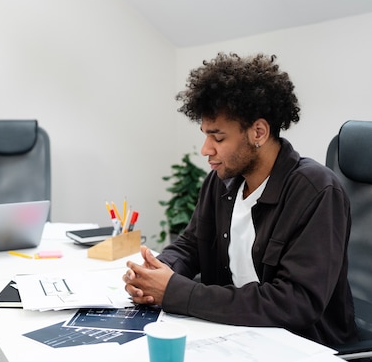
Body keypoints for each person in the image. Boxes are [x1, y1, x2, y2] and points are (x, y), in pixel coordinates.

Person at [123, 52, 358, 347]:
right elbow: (192, 244)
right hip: (232, 331)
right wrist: (154, 273)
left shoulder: (316, 191)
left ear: (258, 131)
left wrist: (176, 292)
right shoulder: (222, 180)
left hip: (301, 344)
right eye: (205, 135)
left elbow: (297, 302)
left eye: (218, 138)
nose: (206, 149)